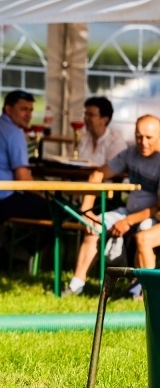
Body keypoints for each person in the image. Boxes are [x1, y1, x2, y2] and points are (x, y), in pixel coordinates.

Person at [67, 115, 160, 296]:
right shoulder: (131, 153)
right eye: (138, 136)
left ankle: (145, 291)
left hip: (150, 216)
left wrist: (128, 222)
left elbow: (157, 207)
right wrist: (87, 211)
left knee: (144, 233)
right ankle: (76, 285)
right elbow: (97, 174)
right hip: (129, 210)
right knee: (93, 226)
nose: (143, 142)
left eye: (149, 138)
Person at [0, 90, 51, 226]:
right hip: (1, 201)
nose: (28, 115)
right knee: (54, 210)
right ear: (8, 109)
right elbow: (23, 179)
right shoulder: (14, 132)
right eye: (23, 109)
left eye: (31, 110)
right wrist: (44, 194)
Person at [78, 96, 127, 167]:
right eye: (85, 114)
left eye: (91, 115)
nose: (85, 118)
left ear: (104, 120)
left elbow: (113, 171)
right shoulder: (84, 136)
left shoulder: (116, 142)